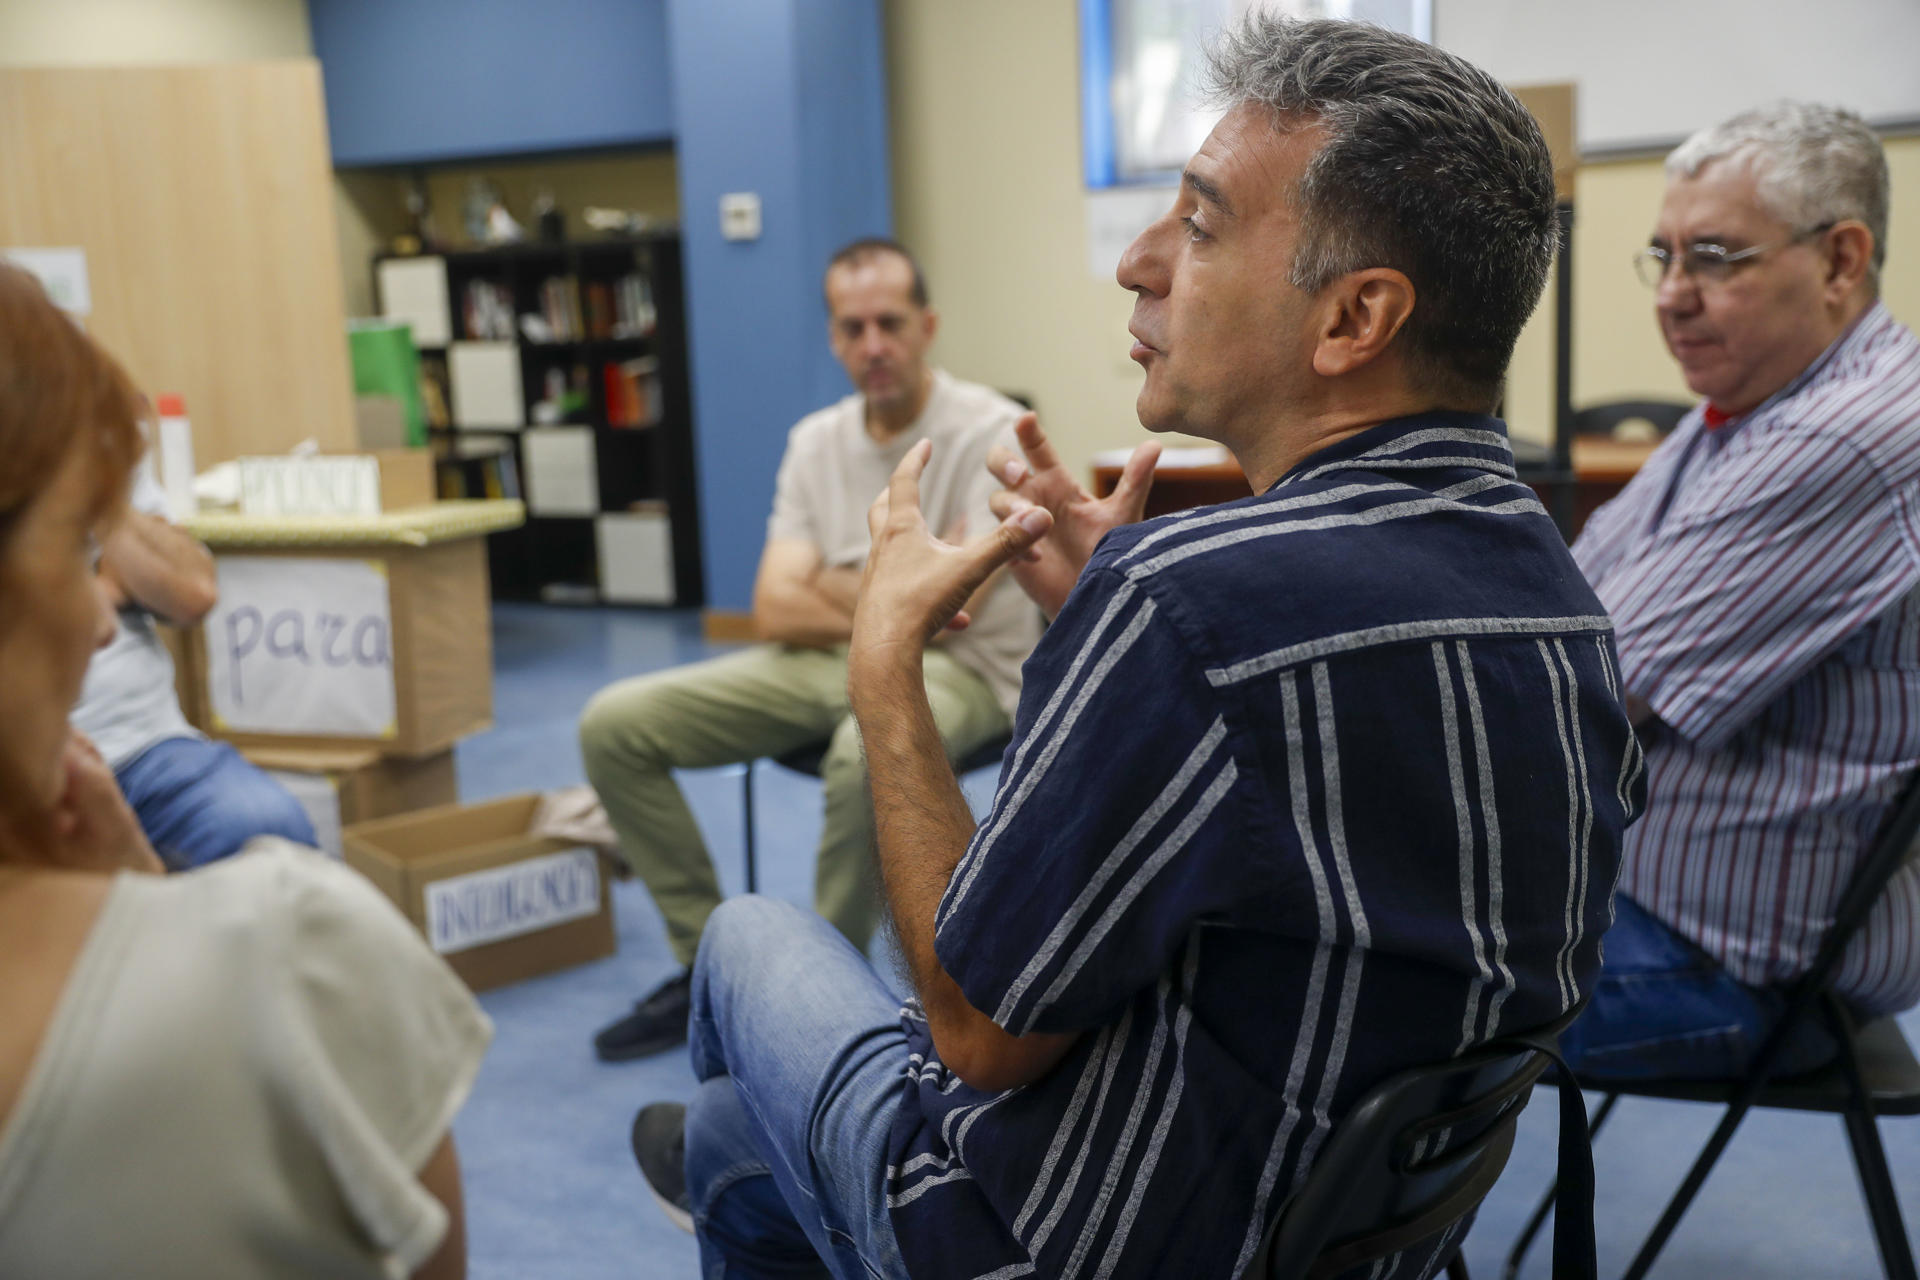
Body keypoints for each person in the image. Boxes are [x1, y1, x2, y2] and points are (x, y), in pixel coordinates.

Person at [629, 18, 1642, 1280]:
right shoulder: (1556, 588)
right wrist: (1101, 615)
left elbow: (975, 1027)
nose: (1139, 264)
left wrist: (885, 663)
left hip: (1068, 1241)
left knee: (744, 941)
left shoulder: (1197, 600)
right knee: (734, 1137)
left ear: (1355, 316)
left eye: (1202, 224)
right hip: (1360, 1241)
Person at [0, 263, 490, 1279]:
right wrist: (155, 938)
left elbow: (191, 589)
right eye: (69, 536)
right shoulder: (288, 944)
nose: (98, 622)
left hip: (150, 754)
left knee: (259, 815)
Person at [579, 238, 1040, 1061]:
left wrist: (834, 579)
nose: (873, 345)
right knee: (617, 724)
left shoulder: (987, 430)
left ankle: (815, 1015)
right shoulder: (814, 441)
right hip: (825, 660)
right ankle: (703, 969)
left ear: (926, 325)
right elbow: (772, 604)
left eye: (890, 323)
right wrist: (890, 587)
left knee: (855, 754)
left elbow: (949, 607)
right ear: (833, 337)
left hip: (964, 672)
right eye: (852, 326)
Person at [1563, 102, 1920, 1081]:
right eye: (1664, 257)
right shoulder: (1755, 399)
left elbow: (1580, 686)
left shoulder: (1845, 432)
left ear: (1842, 261)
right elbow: (1577, 591)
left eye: (1715, 257)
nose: (1673, 295)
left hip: (1732, 963)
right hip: (1657, 907)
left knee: (1334, 998)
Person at [73, 459, 318, 870]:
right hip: (25, 757)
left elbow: (191, 589)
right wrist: (99, 592)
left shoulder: (81, 428)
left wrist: (81, 474)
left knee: (268, 834)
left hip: (144, 746)